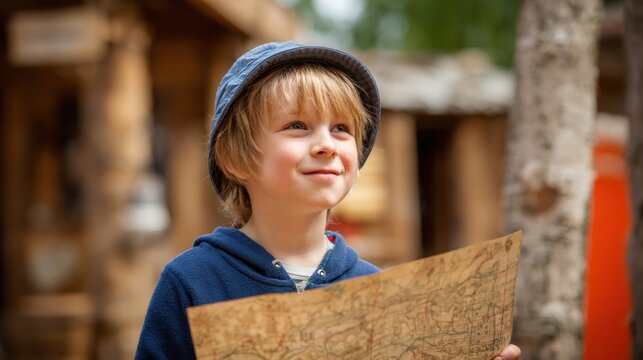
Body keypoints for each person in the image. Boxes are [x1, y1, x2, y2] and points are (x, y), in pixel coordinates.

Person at [135, 41, 521, 360]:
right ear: (236, 158)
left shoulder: (377, 290)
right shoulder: (191, 282)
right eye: (297, 126)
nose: (326, 145)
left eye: (341, 129)